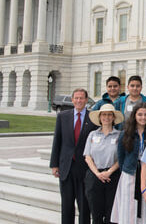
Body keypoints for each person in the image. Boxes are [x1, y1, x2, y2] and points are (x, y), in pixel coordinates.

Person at [50, 88, 98, 224]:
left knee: (84, 206)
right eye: (76, 98)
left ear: (86, 100)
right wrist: (54, 164)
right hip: (66, 168)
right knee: (67, 205)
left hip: (84, 168)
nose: (78, 101)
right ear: (72, 100)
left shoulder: (93, 118)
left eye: (81, 98)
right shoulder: (63, 116)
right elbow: (57, 141)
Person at [111, 103, 146, 224]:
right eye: (140, 114)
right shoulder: (126, 133)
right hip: (130, 174)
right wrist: (127, 169)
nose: (143, 117)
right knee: (129, 207)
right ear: (135, 116)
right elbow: (121, 156)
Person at [84, 104, 123, 224]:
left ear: (113, 118)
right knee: (96, 213)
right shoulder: (92, 135)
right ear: (100, 118)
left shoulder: (120, 135)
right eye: (104, 115)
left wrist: (109, 171)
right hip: (94, 177)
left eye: (109, 115)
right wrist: (97, 173)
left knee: (111, 213)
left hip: (113, 176)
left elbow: (121, 158)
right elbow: (88, 157)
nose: (106, 117)